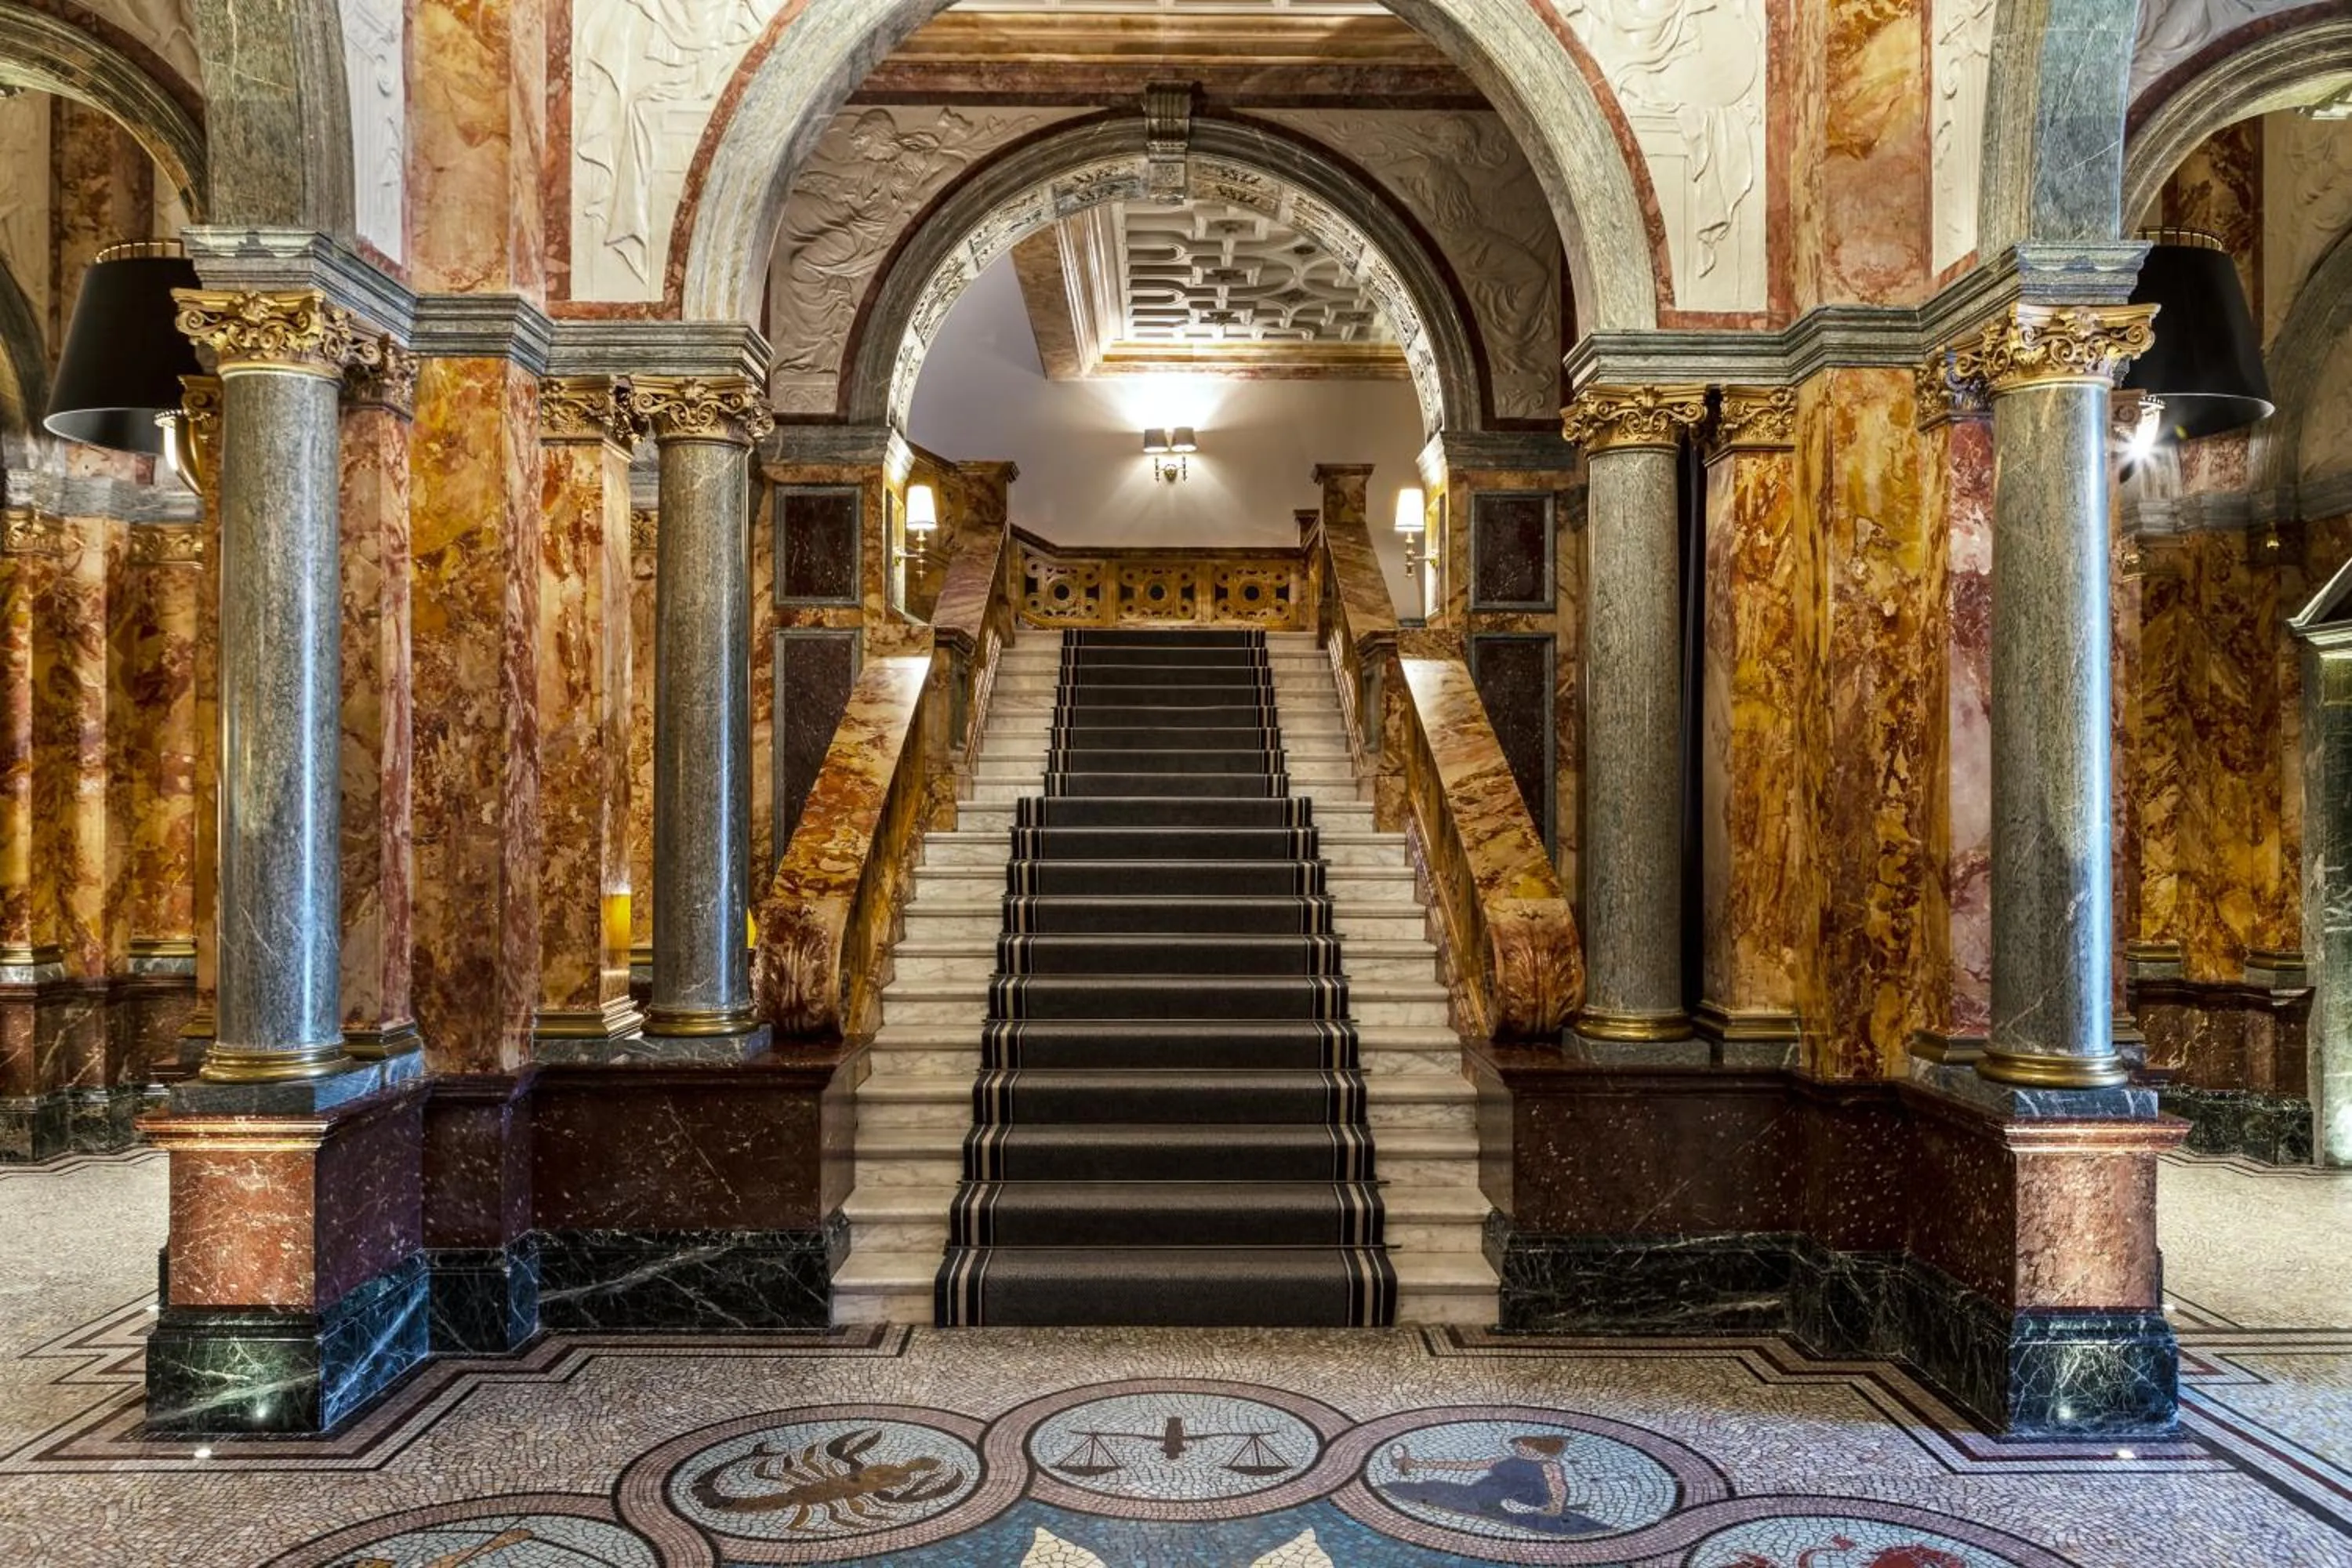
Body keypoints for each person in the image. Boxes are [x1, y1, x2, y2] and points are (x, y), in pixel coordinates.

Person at [1381, 1432, 1610, 1537]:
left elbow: (1558, 1487)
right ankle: (1408, 1469)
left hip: (1520, 1500)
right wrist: (1421, 1464)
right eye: (1518, 1445)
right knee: (1438, 1487)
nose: (1519, 1448)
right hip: (1483, 1493)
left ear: (1538, 1448)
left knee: (1460, 1498)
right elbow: (1467, 1466)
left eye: (1523, 1445)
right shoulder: (1504, 1460)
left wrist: (1557, 1506)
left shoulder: (1548, 1466)